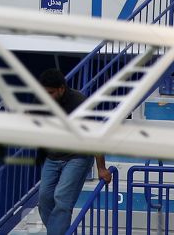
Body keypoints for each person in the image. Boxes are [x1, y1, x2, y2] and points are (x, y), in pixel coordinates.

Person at [29, 69, 112, 235]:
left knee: (61, 199)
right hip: (52, 156)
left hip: (77, 157)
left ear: (61, 89)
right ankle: (59, 231)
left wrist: (101, 167)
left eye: (51, 93)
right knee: (44, 200)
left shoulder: (79, 102)